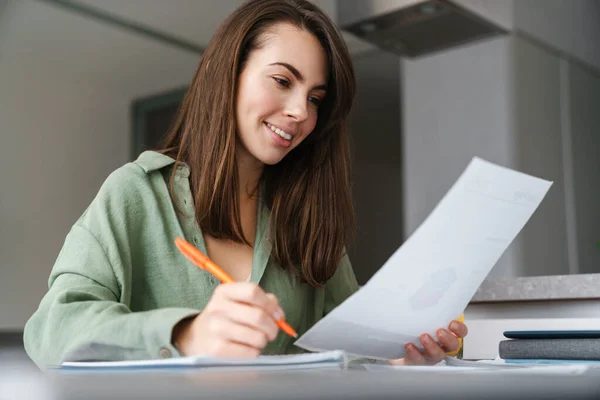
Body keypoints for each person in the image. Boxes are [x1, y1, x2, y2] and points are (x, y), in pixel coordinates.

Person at [23, 0, 467, 368]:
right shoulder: (135, 194)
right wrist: (186, 334)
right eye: (282, 80)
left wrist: (398, 359)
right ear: (228, 74)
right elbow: (52, 331)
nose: (300, 112)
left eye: (315, 98)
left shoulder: (311, 220)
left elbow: (349, 356)